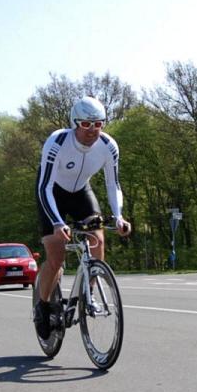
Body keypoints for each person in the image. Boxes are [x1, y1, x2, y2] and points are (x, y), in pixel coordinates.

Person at [33, 96, 131, 339]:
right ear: (74, 123)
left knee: (98, 239)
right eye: (86, 124)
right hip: (52, 193)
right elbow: (44, 187)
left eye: (98, 124)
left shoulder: (108, 146)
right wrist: (57, 222)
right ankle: (42, 306)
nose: (92, 130)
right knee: (56, 258)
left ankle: (89, 294)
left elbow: (113, 184)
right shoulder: (57, 142)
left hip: (81, 193)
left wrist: (119, 216)